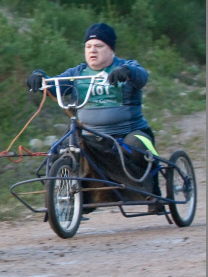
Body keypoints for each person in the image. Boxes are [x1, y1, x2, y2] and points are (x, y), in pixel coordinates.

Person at [25, 23, 162, 211]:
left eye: (99, 46)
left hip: (127, 134)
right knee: (57, 153)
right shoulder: (78, 73)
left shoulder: (125, 67)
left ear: (111, 49)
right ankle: (72, 200)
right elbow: (54, 85)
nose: (92, 51)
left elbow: (142, 76)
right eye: (88, 47)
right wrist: (39, 77)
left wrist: (126, 73)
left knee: (139, 147)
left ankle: (153, 194)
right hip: (90, 138)